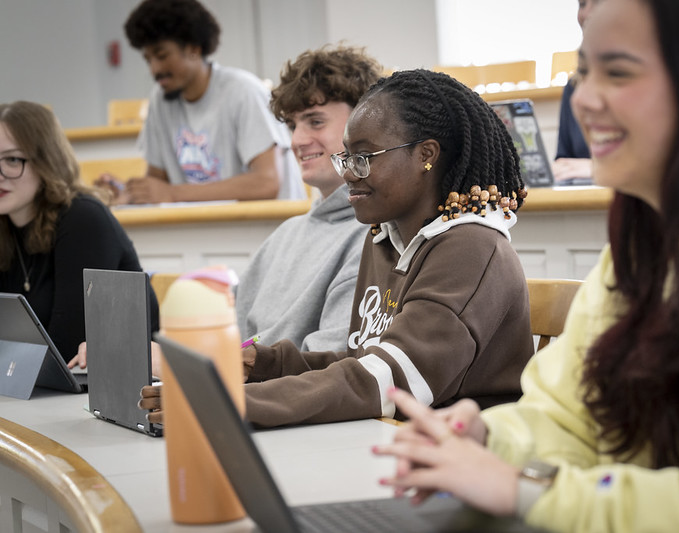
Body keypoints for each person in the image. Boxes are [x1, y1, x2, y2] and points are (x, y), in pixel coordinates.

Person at [374, 0, 679, 531]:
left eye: (617, 73)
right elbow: (567, 415)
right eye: (582, 73)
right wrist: (490, 439)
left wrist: (523, 487)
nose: (584, 100)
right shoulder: (647, 243)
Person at [141, 69, 534, 428]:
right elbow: (362, 362)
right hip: (384, 440)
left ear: (425, 155)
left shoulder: (472, 247)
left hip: (458, 461)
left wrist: (225, 402)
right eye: (346, 156)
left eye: (363, 158)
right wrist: (265, 364)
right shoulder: (384, 238)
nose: (347, 172)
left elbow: (388, 382)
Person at [234, 45, 381, 349]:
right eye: (292, 125)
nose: (297, 140)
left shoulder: (375, 236)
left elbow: (328, 370)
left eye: (315, 121)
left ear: (365, 122)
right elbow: (233, 344)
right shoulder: (284, 235)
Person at [0, 101, 159, 362]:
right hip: (41, 393)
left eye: (13, 159)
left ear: (45, 161)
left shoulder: (83, 218)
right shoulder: (5, 225)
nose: (0, 173)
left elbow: (67, 351)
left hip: (113, 388)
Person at [105, 0, 304, 204]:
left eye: (162, 56)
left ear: (194, 49)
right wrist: (126, 194)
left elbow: (267, 183)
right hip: (204, 231)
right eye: (148, 59)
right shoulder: (160, 101)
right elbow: (157, 184)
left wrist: (173, 194)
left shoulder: (243, 91)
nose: (154, 70)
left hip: (265, 230)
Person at [551, 0, 596, 186]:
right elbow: (564, 160)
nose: (586, 13)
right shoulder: (572, 87)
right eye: (582, 4)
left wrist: (598, 168)